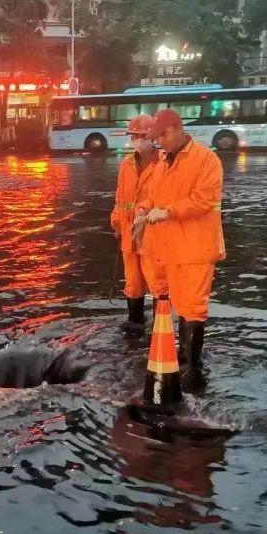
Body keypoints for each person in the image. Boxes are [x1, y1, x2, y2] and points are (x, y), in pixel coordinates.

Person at [133, 109, 224, 390]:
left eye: (162, 135)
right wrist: (142, 211)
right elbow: (151, 195)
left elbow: (203, 199)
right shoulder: (163, 163)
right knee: (170, 305)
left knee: (192, 310)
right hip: (169, 250)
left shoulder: (206, 160)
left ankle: (192, 370)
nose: (158, 141)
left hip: (195, 250)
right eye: (155, 137)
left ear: (176, 128)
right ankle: (179, 359)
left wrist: (168, 211)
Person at [110, 114, 158, 326]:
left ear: (152, 136)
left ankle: (161, 327)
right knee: (133, 284)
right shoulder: (126, 165)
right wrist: (116, 222)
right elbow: (120, 199)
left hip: (153, 236)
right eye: (134, 136)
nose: (137, 140)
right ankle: (135, 324)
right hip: (129, 235)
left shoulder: (164, 164)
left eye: (142, 135)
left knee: (158, 284)